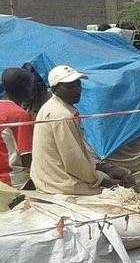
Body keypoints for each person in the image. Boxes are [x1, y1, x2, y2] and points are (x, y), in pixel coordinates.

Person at [30, 65, 130, 195]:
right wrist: (106, 182)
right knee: (124, 188)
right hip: (61, 184)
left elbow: (79, 153)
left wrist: (103, 168)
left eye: (78, 85)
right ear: (55, 89)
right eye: (70, 87)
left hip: (50, 179)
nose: (77, 90)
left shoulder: (51, 107)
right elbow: (75, 162)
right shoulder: (62, 116)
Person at [0, 69, 35, 188]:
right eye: (31, 84)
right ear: (25, 88)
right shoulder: (18, 115)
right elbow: (27, 156)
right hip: (16, 180)